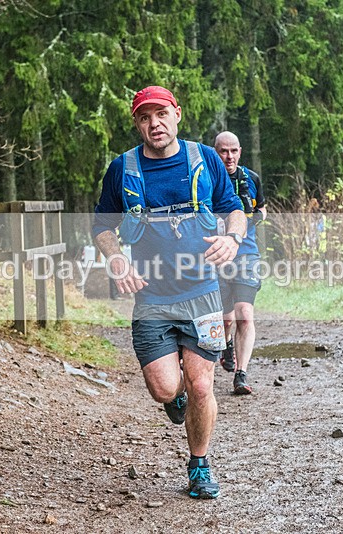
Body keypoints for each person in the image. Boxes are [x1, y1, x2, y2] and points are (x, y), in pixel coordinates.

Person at [92, 86, 245, 499]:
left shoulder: (205, 158)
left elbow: (233, 208)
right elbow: (102, 226)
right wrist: (116, 260)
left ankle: (199, 466)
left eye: (161, 114)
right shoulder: (122, 169)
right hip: (152, 298)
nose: (153, 124)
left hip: (202, 294)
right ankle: (172, 396)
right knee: (165, 388)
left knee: (201, 386)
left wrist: (232, 237)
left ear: (177, 114)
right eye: (144, 117)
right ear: (137, 123)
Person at [213, 131, 267, 395]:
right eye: (223, 151)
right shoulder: (208, 179)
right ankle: (226, 347)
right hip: (216, 255)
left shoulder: (252, 178)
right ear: (216, 153)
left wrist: (256, 218)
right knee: (225, 318)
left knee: (244, 314)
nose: (229, 156)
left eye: (233, 151)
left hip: (247, 253)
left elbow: (263, 208)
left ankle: (241, 375)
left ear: (240, 151)